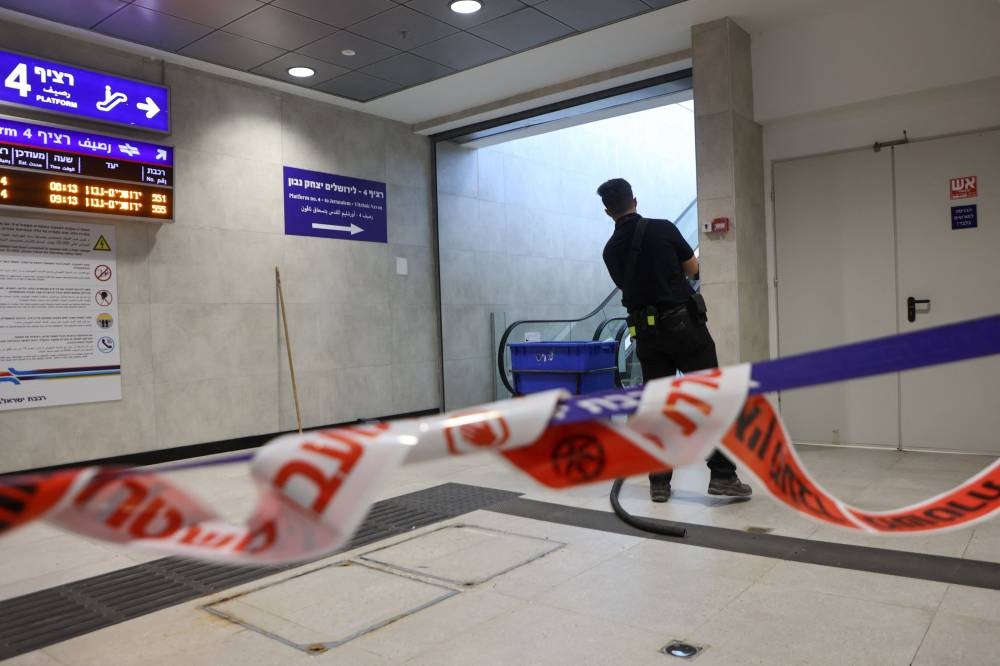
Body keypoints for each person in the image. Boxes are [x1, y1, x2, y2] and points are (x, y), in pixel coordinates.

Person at [597, 178, 751, 503]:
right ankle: (722, 476)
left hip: (647, 335)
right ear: (634, 200)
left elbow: (629, 286)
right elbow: (692, 268)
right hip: (684, 328)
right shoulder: (663, 229)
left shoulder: (610, 251)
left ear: (608, 211)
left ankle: (659, 484)